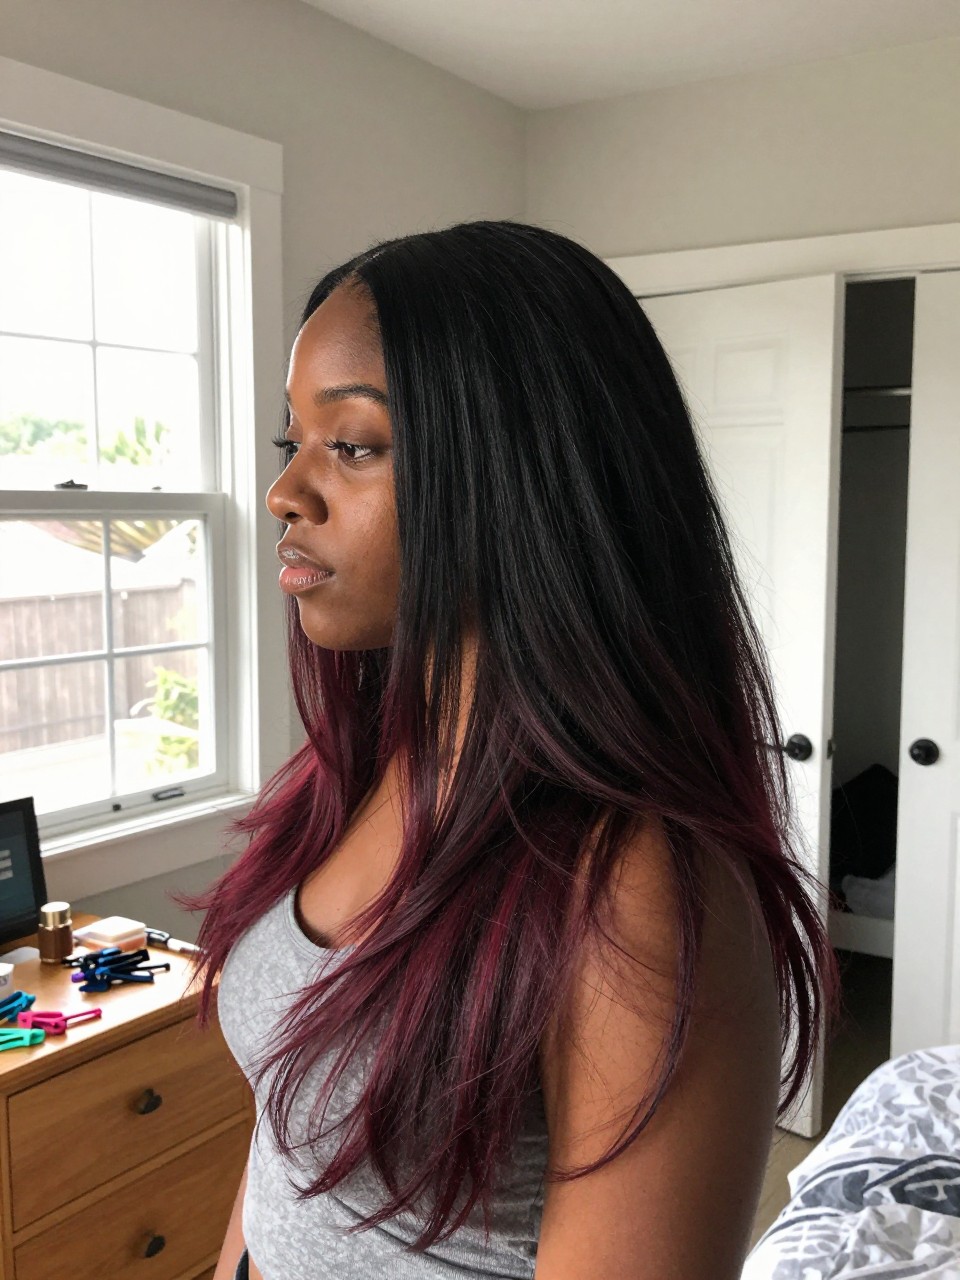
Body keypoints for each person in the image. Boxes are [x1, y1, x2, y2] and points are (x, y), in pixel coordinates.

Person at [183, 220, 838, 1280]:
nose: (284, 493)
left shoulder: (636, 889)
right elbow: (281, 1152)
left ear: (524, 473)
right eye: (287, 441)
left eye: (350, 445)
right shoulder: (358, 771)